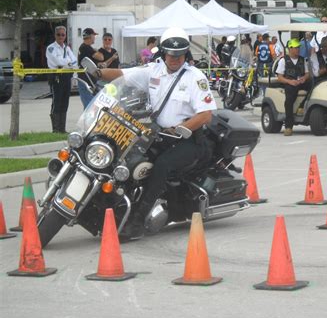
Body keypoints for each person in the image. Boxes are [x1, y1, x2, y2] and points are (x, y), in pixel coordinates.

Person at [93, 27, 217, 241]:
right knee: (127, 159)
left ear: (186, 54)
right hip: (159, 135)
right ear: (163, 53)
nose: (175, 58)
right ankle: (109, 206)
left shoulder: (195, 78)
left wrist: (184, 127)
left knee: (161, 166)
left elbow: (206, 115)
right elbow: (123, 74)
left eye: (179, 55)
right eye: (171, 54)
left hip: (188, 139)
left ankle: (137, 221)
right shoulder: (153, 71)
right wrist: (97, 72)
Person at [45, 26, 78, 133]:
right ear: (55, 35)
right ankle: (56, 129)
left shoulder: (67, 48)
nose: (60, 37)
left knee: (65, 102)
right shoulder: (51, 48)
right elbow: (57, 62)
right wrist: (68, 62)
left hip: (66, 76)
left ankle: (62, 129)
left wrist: (67, 63)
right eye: (58, 34)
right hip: (56, 76)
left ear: (65, 36)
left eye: (63, 35)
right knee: (57, 101)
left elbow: (75, 62)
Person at [275, 38, 309, 136]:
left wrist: (304, 78)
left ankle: (302, 105)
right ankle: (288, 126)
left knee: (313, 85)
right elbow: (280, 77)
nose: (298, 49)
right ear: (290, 49)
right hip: (290, 83)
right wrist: (290, 81)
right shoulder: (283, 60)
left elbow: (307, 74)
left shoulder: (302, 60)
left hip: (300, 81)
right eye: (296, 48)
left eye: (298, 47)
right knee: (289, 100)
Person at [78, 28, 104, 108]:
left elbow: (91, 62)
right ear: (90, 36)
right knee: (89, 107)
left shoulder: (84, 48)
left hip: (88, 80)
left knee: (91, 106)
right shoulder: (86, 47)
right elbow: (101, 57)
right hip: (86, 81)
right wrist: (97, 50)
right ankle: (87, 121)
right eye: (94, 35)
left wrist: (98, 64)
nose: (94, 38)